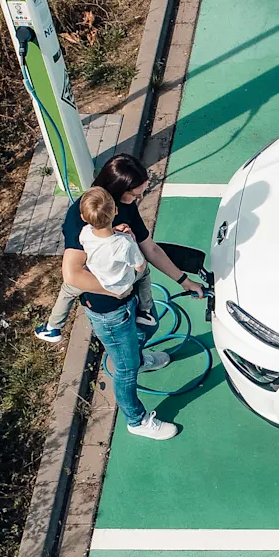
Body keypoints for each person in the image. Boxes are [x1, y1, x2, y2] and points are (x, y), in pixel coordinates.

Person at [53, 154, 206, 440]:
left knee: (150, 324)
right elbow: (72, 275)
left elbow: (150, 248)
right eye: (137, 192)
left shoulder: (123, 206)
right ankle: (136, 420)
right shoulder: (81, 217)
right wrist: (115, 289)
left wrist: (185, 281)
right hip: (108, 309)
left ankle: (134, 356)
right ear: (118, 190)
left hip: (129, 294)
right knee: (125, 370)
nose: (141, 195)